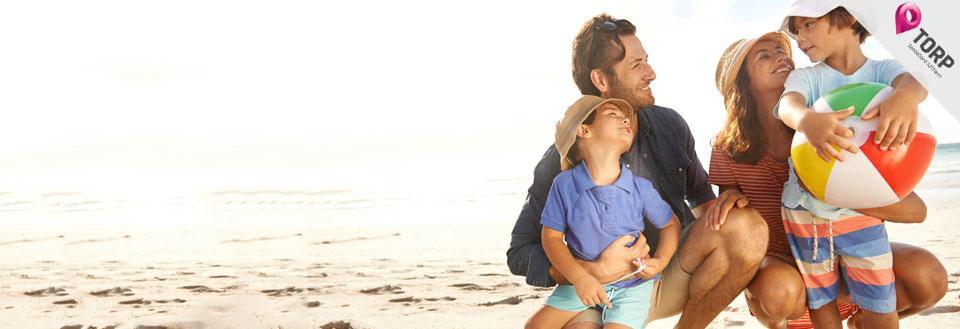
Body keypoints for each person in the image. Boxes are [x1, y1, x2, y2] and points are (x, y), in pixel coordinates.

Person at [507, 14, 769, 329]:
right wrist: (589, 271)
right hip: (596, 291)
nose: (651, 73)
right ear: (601, 80)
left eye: (646, 61)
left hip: (667, 272)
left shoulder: (669, 125)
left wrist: (731, 222)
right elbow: (520, 251)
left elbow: (699, 196)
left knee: (747, 227)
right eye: (636, 65)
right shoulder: (560, 163)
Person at [710, 28, 946, 329]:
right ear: (742, 83)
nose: (780, 57)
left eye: (782, 51)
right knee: (778, 291)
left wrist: (832, 195)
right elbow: (727, 213)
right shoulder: (727, 147)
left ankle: (860, 316)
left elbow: (916, 211)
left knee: (930, 276)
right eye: (764, 56)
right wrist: (729, 198)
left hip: (844, 253)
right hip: (787, 279)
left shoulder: (825, 123)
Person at [775, 2, 934, 327]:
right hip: (807, 209)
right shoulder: (807, 76)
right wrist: (806, 120)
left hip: (863, 209)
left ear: (847, 17)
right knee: (821, 297)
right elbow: (787, 105)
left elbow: (915, 82)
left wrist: (904, 98)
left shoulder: (882, 72)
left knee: (880, 300)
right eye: (796, 30)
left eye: (808, 25)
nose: (800, 39)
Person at [526, 95, 680, 329]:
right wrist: (579, 278)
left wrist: (660, 261)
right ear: (583, 131)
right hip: (584, 282)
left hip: (632, 286)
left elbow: (670, 224)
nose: (625, 121)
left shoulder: (639, 187)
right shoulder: (564, 184)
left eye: (625, 118)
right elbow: (551, 237)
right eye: (612, 115)